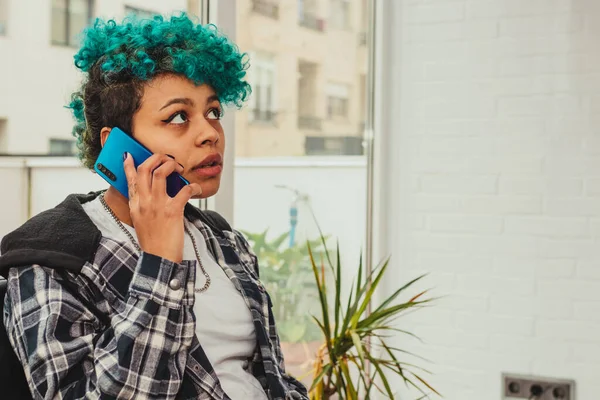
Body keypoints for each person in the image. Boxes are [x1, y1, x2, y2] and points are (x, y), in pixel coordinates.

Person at [0, 13, 308, 400]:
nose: (210, 133)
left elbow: (268, 376)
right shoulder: (51, 259)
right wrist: (159, 262)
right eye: (178, 117)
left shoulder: (222, 239)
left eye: (213, 112)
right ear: (117, 144)